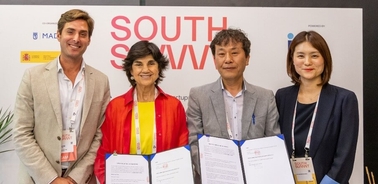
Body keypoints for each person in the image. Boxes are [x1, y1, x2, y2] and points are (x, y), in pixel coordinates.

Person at [12, 9, 110, 184]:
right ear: (58, 35)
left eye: (83, 34)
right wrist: (51, 178)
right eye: (70, 31)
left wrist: (75, 177)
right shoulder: (33, 77)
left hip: (82, 179)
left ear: (89, 40)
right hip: (37, 178)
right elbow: (21, 133)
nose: (76, 39)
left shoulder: (101, 81)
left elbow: (100, 135)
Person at [186, 28, 280, 182]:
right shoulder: (199, 96)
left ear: (247, 58)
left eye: (234, 53)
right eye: (221, 54)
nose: (228, 59)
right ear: (215, 61)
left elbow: (272, 142)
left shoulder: (265, 97)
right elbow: (194, 144)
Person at [94, 40, 188, 183]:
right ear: (131, 70)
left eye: (151, 63)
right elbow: (103, 152)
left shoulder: (174, 106)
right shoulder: (116, 107)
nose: (145, 70)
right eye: (138, 64)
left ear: (159, 69)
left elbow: (183, 152)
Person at [275, 30, 359, 184]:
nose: (307, 62)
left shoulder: (344, 99)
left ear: (325, 59)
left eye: (314, 55)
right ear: (292, 60)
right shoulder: (282, 97)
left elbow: (345, 154)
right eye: (300, 56)